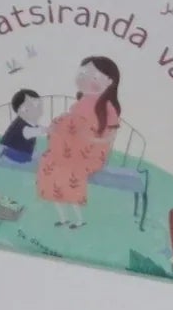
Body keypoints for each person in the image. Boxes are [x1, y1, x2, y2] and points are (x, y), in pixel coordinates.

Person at [37, 58, 121, 228]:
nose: (86, 80)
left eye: (95, 77)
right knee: (50, 165)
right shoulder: (81, 102)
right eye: (82, 74)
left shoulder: (107, 106)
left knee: (71, 172)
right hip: (70, 148)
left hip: (91, 152)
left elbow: (111, 135)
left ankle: (79, 219)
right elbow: (72, 126)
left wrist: (94, 140)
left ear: (110, 81)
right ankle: (63, 217)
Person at [0, 88, 42, 164]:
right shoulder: (22, 124)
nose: (37, 109)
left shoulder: (28, 121)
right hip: (15, 155)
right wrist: (48, 129)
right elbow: (30, 131)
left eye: (38, 105)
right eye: (31, 106)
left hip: (18, 153)